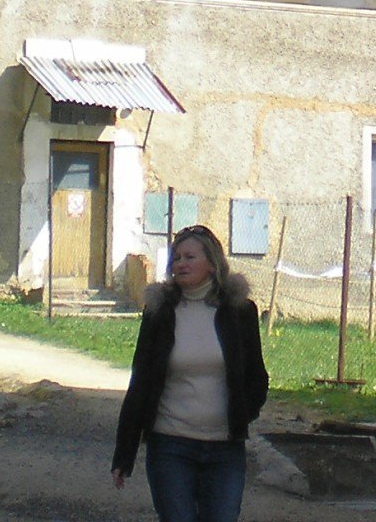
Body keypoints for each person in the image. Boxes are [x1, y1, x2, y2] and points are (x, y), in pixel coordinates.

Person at [112, 223, 270, 522]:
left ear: (212, 264)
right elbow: (141, 383)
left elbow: (256, 377)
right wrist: (124, 453)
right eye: (176, 258)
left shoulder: (240, 312)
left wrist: (241, 414)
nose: (180, 264)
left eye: (189, 257)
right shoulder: (159, 313)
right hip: (171, 445)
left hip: (225, 449)